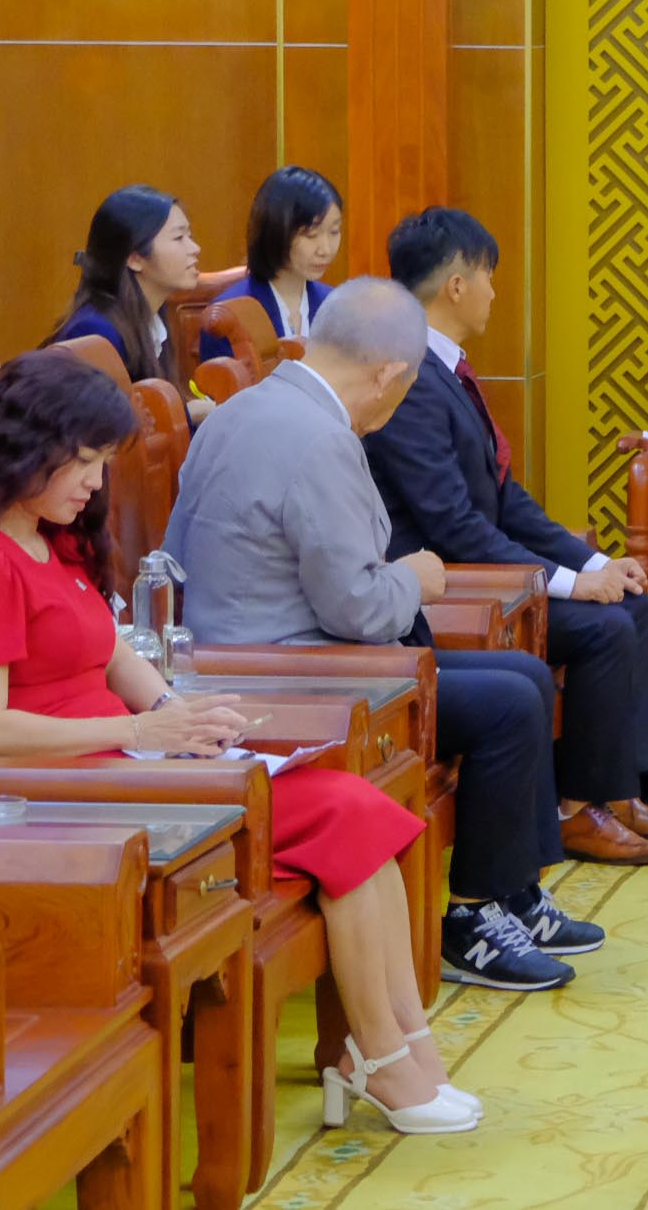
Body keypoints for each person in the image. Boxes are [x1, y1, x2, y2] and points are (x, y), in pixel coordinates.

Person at [0, 351, 475, 1133]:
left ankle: (406, 1050)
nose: (92, 484)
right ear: (25, 449)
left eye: (101, 464)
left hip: (130, 760)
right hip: (72, 789)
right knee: (346, 813)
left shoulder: (55, 537)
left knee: (359, 814)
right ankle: (377, 1058)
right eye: (82, 462)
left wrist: (187, 714)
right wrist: (141, 730)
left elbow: (113, 652)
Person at [167, 276, 590, 992]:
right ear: (388, 372)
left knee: (518, 675)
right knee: (510, 704)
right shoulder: (318, 438)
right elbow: (359, 609)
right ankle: (471, 915)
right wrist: (416, 577)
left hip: (240, 647)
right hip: (288, 673)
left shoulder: (247, 409)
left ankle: (514, 888)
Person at [364, 207, 648, 862]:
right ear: (457, 285)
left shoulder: (449, 368)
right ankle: (579, 808)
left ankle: (622, 792)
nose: (497, 292)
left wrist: (597, 560)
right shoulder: (407, 378)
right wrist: (576, 584)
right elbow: (455, 526)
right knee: (604, 626)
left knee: (631, 601)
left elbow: (503, 498)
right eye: (490, 276)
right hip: (446, 581)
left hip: (487, 563)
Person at [49, 185, 209, 418]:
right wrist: (186, 415)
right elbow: (104, 437)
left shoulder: (153, 319)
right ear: (134, 258)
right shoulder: (95, 333)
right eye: (179, 238)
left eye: (190, 236)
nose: (195, 248)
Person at [200, 165, 343, 362]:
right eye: (311, 235)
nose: (325, 249)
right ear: (275, 231)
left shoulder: (336, 305)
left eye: (334, 232)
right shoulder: (229, 315)